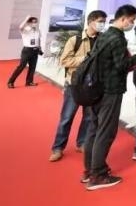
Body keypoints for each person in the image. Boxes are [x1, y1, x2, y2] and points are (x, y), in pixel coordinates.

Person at [82, 4, 136, 190]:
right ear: (123, 19)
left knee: (94, 129)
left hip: (95, 89)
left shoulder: (104, 36)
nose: (132, 24)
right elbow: (122, 66)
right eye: (131, 20)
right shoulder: (117, 38)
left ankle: (89, 170)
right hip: (110, 90)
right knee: (105, 131)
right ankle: (98, 175)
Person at [49, 10, 106, 162]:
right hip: (74, 85)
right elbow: (65, 60)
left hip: (93, 85)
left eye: (103, 22)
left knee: (88, 117)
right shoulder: (75, 40)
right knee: (67, 117)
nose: (102, 24)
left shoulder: (103, 40)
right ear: (91, 21)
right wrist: (86, 59)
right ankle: (58, 147)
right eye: (100, 21)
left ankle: (82, 143)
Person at [6, 15, 43, 88]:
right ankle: (10, 82)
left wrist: (39, 47)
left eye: (36, 22)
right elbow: (20, 27)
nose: (35, 23)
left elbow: (38, 39)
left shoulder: (38, 30)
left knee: (32, 67)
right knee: (21, 66)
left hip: (35, 50)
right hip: (27, 50)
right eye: (33, 22)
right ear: (29, 23)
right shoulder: (26, 29)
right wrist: (26, 19)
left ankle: (29, 82)